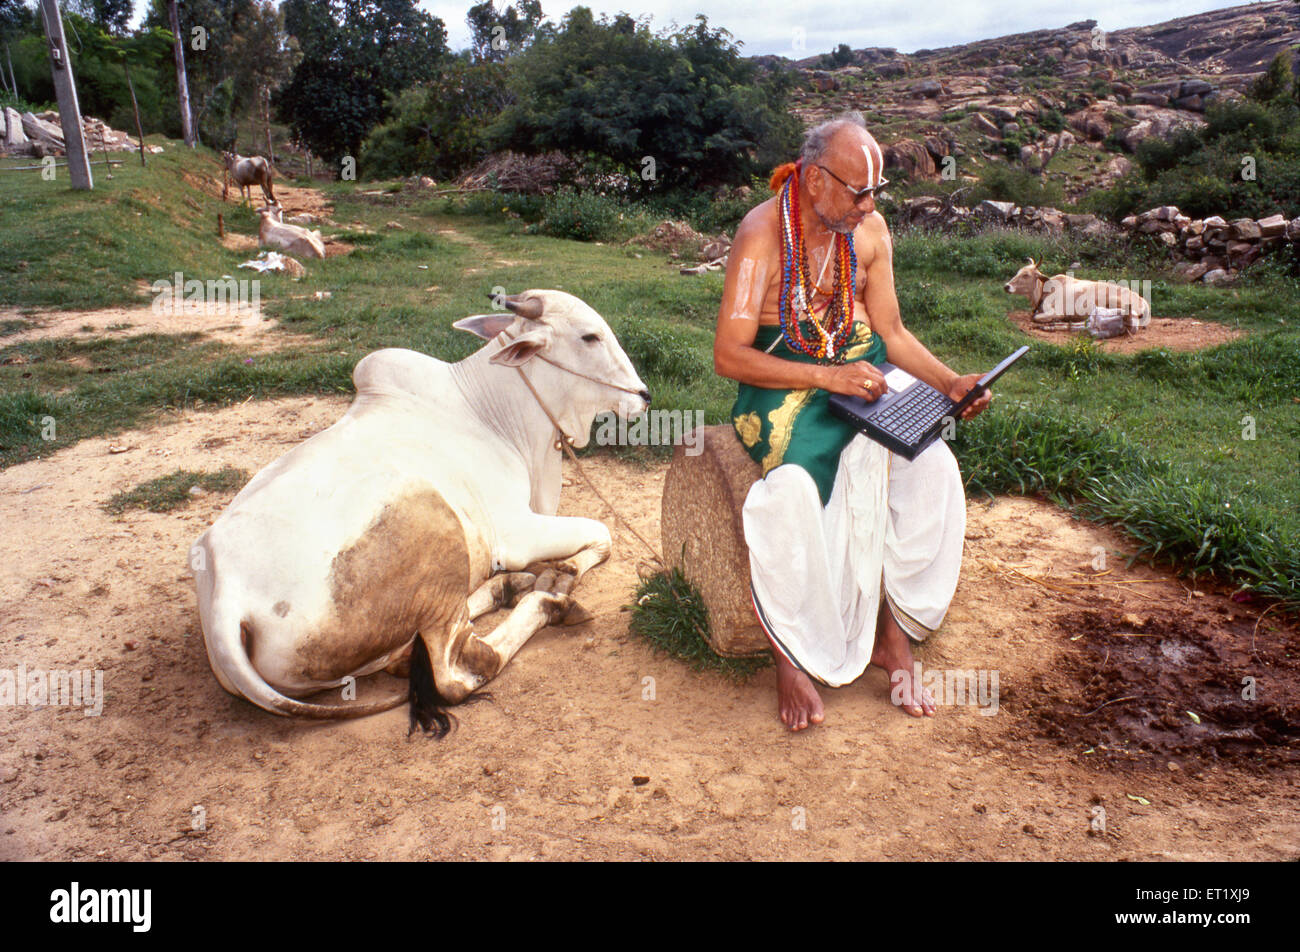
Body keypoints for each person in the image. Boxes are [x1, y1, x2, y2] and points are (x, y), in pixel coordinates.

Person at [712, 111, 993, 731]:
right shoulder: (761, 234)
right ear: (814, 181)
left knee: (932, 467)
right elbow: (729, 354)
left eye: (877, 192)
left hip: (861, 370)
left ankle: (892, 633)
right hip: (785, 379)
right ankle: (792, 651)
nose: (869, 206)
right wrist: (824, 376)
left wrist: (949, 382)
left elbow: (889, 332)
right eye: (857, 191)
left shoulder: (869, 233)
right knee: (790, 497)